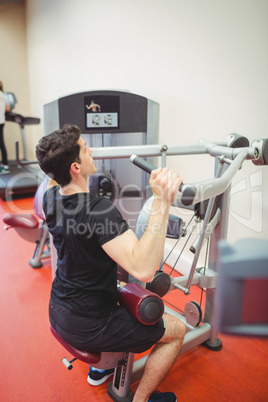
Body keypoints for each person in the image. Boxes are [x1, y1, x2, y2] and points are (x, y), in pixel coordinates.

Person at [35, 124, 186, 402]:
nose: (91, 150)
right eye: (84, 148)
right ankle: (140, 399)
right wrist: (162, 200)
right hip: (89, 323)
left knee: (114, 287)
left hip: (58, 308)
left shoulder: (51, 197)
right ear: (75, 167)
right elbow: (143, 269)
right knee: (178, 330)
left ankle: (98, 371)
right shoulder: (99, 211)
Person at [0, 81, 11, 173]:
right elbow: (8, 108)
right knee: (1, 143)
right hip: (1, 121)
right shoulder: (3, 95)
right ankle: (5, 164)